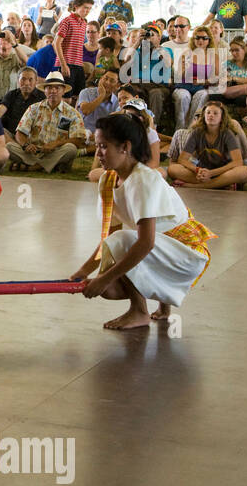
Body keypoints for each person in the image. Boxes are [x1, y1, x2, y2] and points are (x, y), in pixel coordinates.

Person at [70, 111, 216, 331]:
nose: (98, 153)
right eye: (97, 146)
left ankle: (139, 311)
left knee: (124, 246)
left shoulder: (143, 179)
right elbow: (108, 237)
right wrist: (83, 271)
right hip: (164, 249)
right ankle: (163, 306)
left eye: (103, 146)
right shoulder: (108, 181)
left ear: (125, 147)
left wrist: (102, 278)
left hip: (187, 255)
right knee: (110, 286)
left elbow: (146, 243)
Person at [7, 72, 86, 173]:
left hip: (56, 151)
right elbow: (20, 133)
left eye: (57, 88)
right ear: (44, 91)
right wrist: (26, 145)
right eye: (49, 88)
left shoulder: (72, 113)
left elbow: (78, 140)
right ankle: (49, 165)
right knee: (9, 147)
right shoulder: (33, 108)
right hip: (33, 152)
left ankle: (32, 167)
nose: (53, 91)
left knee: (71, 149)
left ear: (63, 91)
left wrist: (56, 144)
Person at [168, 101, 247, 190]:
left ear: (222, 118)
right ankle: (221, 185)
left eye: (215, 113)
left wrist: (212, 173)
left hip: (223, 172)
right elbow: (182, 159)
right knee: (172, 169)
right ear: (204, 116)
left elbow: (238, 162)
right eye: (208, 113)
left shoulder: (227, 133)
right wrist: (197, 170)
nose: (211, 115)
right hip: (202, 172)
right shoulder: (196, 132)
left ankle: (197, 186)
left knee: (245, 171)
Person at [54, 0, 93, 97]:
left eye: (89, 8)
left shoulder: (84, 23)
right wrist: (63, 64)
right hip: (67, 63)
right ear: (76, 6)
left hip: (78, 64)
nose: (87, 11)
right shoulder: (67, 21)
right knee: (66, 97)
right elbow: (56, 43)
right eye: (85, 8)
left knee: (79, 96)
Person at [0, 67, 46, 137]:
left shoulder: (42, 97)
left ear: (36, 81)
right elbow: (0, 110)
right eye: (23, 79)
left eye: (30, 80)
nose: (26, 83)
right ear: (18, 80)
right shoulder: (11, 94)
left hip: (32, 137)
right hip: (10, 135)